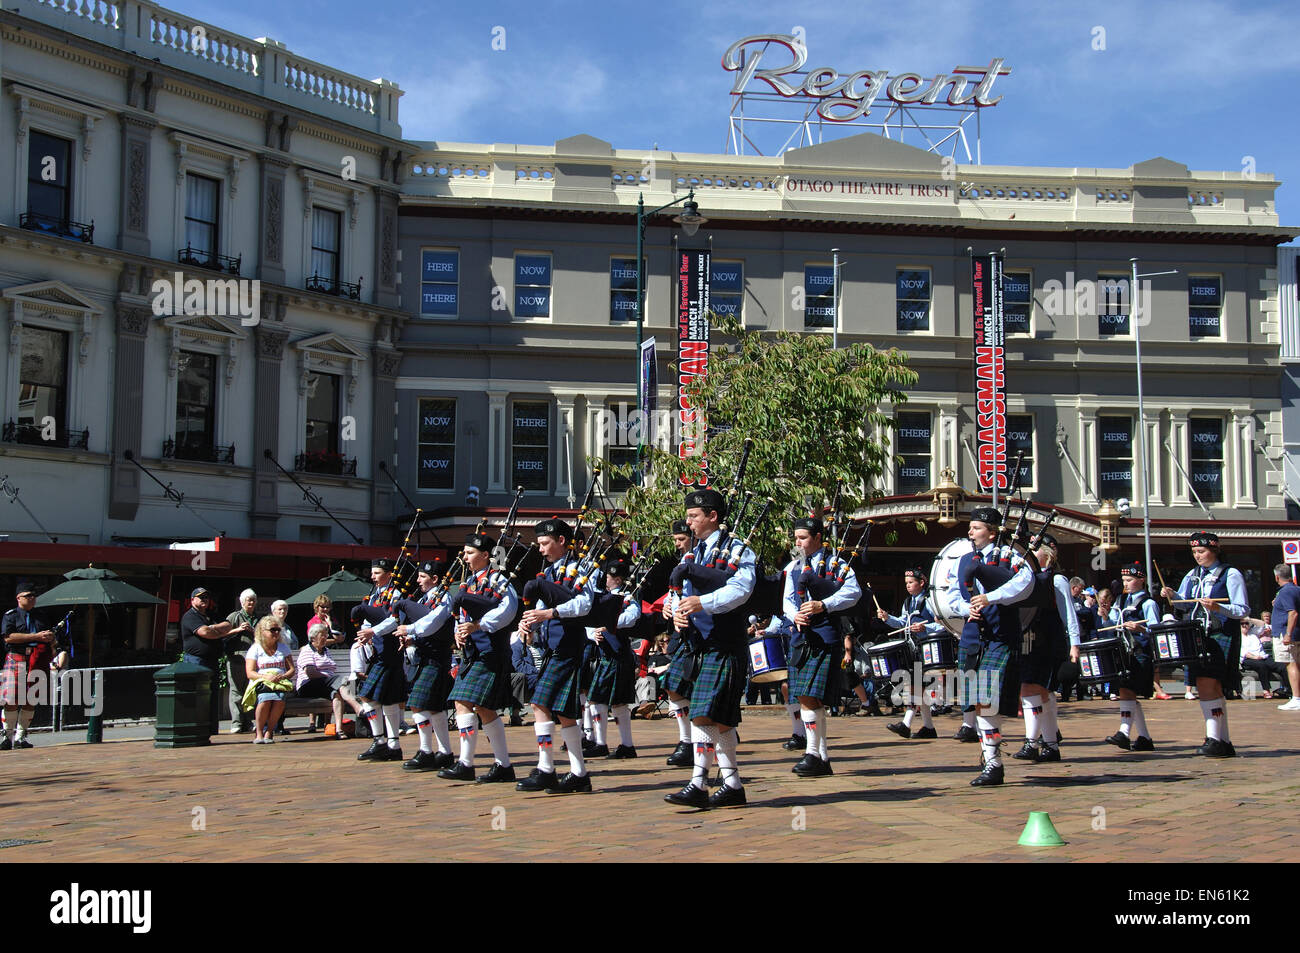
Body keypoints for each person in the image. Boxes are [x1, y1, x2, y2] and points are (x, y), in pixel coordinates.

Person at [664, 488, 757, 809]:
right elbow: (681, 590)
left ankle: (698, 784)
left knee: (705, 715)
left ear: (712, 516)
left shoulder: (739, 549)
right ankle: (731, 785)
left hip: (724, 642)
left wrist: (701, 603)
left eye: (693, 516)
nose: (687, 523)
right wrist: (675, 608)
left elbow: (740, 590)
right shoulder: (695, 552)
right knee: (717, 720)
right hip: (697, 644)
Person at [944, 506, 1034, 787]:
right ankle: (991, 761)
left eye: (977, 528)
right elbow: (952, 595)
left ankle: (993, 762)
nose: (970, 532)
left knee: (986, 701)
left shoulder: (1009, 557)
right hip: (973, 637)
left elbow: (1025, 582)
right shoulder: (963, 560)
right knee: (977, 703)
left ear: (992, 532)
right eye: (970, 527)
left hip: (1000, 635)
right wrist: (965, 608)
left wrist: (991, 598)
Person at [768, 516, 861, 777]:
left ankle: (813, 754)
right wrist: (793, 614)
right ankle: (821, 757)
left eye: (803, 537)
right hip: (800, 636)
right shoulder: (793, 567)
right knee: (805, 696)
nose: (797, 542)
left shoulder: (836, 563)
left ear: (818, 537)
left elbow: (853, 592)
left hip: (824, 634)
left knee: (810, 695)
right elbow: (786, 600)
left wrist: (825, 604)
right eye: (796, 537)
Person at [515, 519, 596, 793]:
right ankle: (578, 774)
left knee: (540, 704)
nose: (540, 549)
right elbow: (539, 606)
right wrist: (528, 622)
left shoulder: (582, 569)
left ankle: (546, 769)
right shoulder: (549, 573)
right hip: (553, 647)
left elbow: (585, 604)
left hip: (570, 646)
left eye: (544, 543)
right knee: (563, 714)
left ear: (562, 540)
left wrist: (550, 613)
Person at [1159, 530, 1248, 757]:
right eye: (1194, 552)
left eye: (1201, 551)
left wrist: (1219, 608)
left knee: (1208, 683)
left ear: (1214, 550)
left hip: (1219, 633)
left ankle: (1213, 738)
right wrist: (1173, 596)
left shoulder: (1230, 574)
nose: (1197, 556)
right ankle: (1223, 741)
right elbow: (1185, 605)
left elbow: (1243, 609)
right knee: (1207, 685)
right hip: (1197, 635)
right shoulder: (1192, 574)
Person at [439, 533, 519, 782]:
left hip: (491, 651)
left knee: (464, 702)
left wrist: (478, 626)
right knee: (484, 709)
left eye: (469, 552)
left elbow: (508, 610)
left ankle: (466, 764)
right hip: (473, 653)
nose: (464, 556)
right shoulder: (470, 582)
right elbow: (461, 615)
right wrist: (460, 632)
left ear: (486, 555)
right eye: (464, 552)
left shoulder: (499, 581)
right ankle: (503, 766)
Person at [364, 560, 458, 770]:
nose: (418, 580)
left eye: (422, 577)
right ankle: (445, 753)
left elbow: (434, 623)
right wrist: (412, 639)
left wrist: (410, 630)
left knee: (418, 704)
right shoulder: (426, 598)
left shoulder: (445, 598)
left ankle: (426, 752)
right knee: (435, 708)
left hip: (436, 658)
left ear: (435, 579)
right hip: (424, 656)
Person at [1012, 533, 1080, 763]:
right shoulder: (1027, 577)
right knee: (1043, 693)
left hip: (1048, 640)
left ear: (1048, 554)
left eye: (1035, 549)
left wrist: (1075, 644)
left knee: (1031, 688)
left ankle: (1032, 743)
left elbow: (1068, 615)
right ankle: (1050, 745)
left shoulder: (1057, 580)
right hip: (1030, 638)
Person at [585, 556, 642, 759]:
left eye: (608, 576)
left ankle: (626, 745)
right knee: (596, 699)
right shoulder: (602, 598)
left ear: (617, 579)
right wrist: (595, 633)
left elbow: (633, 616)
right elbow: (589, 624)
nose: (605, 579)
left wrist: (609, 625)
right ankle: (602, 743)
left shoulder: (627, 598)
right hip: (605, 656)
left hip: (619, 656)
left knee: (616, 703)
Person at [353, 558, 409, 762]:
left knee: (368, 696)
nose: (372, 576)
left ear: (388, 574)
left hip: (390, 650)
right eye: (372, 573)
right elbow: (369, 618)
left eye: (376, 573)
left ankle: (380, 741)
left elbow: (393, 620)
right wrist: (364, 634)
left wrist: (371, 631)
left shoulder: (395, 594)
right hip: (378, 650)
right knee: (388, 700)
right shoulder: (375, 594)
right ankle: (392, 745)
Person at [880, 567, 945, 740]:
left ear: (921, 583)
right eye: (906, 583)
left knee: (916, 685)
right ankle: (928, 727)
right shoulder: (908, 602)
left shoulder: (931, 601)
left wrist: (926, 627)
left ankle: (906, 724)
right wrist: (887, 618)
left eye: (911, 582)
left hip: (927, 649)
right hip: (912, 648)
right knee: (917, 685)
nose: (908, 586)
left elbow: (944, 624)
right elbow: (903, 622)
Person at [1102, 562, 1160, 752]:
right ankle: (1144, 737)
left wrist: (1141, 628)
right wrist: (1104, 617)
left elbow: (1156, 629)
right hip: (1123, 651)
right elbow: (1113, 622)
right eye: (1124, 580)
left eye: (1129, 580)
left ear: (1141, 580)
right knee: (1127, 692)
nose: (1125, 584)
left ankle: (1124, 733)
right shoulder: (1120, 601)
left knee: (1127, 690)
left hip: (1139, 652)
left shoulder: (1148, 603)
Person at [1, 584, 67, 750]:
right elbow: (9, 638)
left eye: (34, 595)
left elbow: (48, 637)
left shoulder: (41, 616)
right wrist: (36, 636)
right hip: (17, 657)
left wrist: (51, 639)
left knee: (31, 698)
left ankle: (21, 737)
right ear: (19, 598)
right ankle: (7, 737)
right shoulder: (11, 616)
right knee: (12, 699)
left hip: (37, 658)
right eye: (28, 595)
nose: (32, 598)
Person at [180, 587, 252, 737]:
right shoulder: (190, 616)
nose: (204, 600)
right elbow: (205, 633)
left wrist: (213, 628)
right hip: (196, 662)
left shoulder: (210, 615)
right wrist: (215, 631)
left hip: (212, 661)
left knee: (212, 696)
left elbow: (227, 625)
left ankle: (211, 729)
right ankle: (198, 729)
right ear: (192, 600)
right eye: (200, 597)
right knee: (200, 696)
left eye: (206, 597)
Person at [659, 520, 699, 766]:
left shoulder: (701, 559)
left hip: (702, 630)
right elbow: (675, 594)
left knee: (696, 690)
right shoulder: (681, 563)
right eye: (675, 540)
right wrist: (668, 607)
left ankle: (710, 731)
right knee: (673, 684)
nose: (677, 544)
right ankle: (687, 741)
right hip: (683, 633)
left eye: (681, 540)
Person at [295, 622, 355, 736]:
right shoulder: (307, 650)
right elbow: (310, 673)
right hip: (308, 685)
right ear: (313, 637)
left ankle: (339, 729)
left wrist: (331, 679)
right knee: (339, 681)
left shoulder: (326, 651)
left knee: (337, 693)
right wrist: (330, 678)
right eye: (322, 635)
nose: (325, 637)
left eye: (326, 635)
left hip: (325, 685)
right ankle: (357, 707)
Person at [244, 616, 295, 743]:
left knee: (279, 699)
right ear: (262, 631)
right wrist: (265, 677)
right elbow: (250, 672)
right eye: (273, 630)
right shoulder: (255, 648)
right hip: (262, 682)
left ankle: (270, 731)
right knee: (265, 699)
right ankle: (259, 732)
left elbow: (291, 669)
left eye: (278, 630)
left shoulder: (283, 648)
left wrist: (282, 676)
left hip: (279, 682)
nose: (276, 633)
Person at [224, 588, 259, 733]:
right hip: (236, 657)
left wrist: (252, 631)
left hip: (252, 659)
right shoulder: (234, 617)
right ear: (242, 602)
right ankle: (237, 722)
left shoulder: (258, 619)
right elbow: (222, 633)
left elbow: (263, 637)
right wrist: (237, 630)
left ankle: (247, 722)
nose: (250, 603)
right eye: (248, 600)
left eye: (253, 600)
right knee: (236, 692)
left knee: (249, 692)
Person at [1271, 565, 1300, 711]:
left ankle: (1296, 698)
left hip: (1286, 633)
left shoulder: (1285, 591)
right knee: (1296, 664)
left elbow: (1293, 612)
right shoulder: (1296, 589)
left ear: (1277, 577)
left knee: (1291, 664)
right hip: (1296, 632)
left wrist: (1288, 633)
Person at [1239, 619, 1289, 698]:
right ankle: (1266, 690)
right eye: (1242, 624)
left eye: (1246, 623)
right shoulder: (1238, 637)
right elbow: (1243, 652)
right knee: (1262, 665)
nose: (1244, 625)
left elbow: (1262, 624)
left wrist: (1249, 619)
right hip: (1248, 659)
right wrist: (1255, 657)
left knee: (1282, 666)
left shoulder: (1253, 633)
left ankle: (1287, 689)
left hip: (1263, 657)